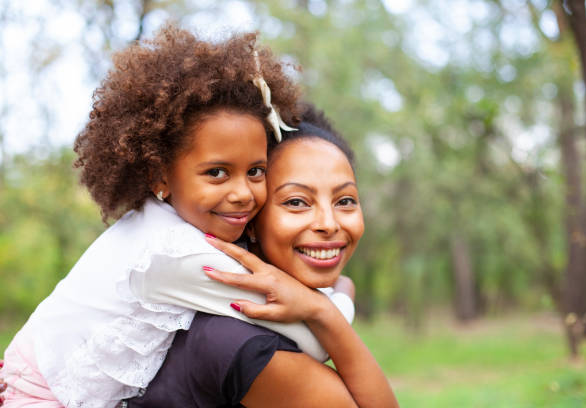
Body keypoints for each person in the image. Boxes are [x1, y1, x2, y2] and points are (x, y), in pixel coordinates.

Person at [0, 26, 353, 408]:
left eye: (255, 171)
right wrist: (338, 300)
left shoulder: (160, 225)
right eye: (217, 172)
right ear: (161, 176)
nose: (242, 193)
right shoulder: (174, 255)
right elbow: (313, 343)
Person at [128, 105, 400, 407]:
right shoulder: (244, 342)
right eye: (297, 202)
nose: (329, 224)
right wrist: (323, 313)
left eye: (345, 200)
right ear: (251, 218)